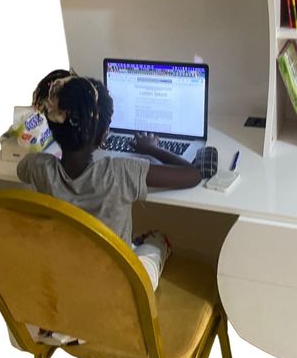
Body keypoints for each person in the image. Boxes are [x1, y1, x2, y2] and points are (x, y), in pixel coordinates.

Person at [17, 69, 201, 342]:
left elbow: (22, 168)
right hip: (122, 295)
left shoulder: (39, 169)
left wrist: (53, 144)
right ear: (103, 136)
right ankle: (145, 245)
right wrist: (152, 148)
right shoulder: (119, 172)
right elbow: (193, 175)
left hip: (72, 288)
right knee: (158, 239)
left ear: (54, 128)